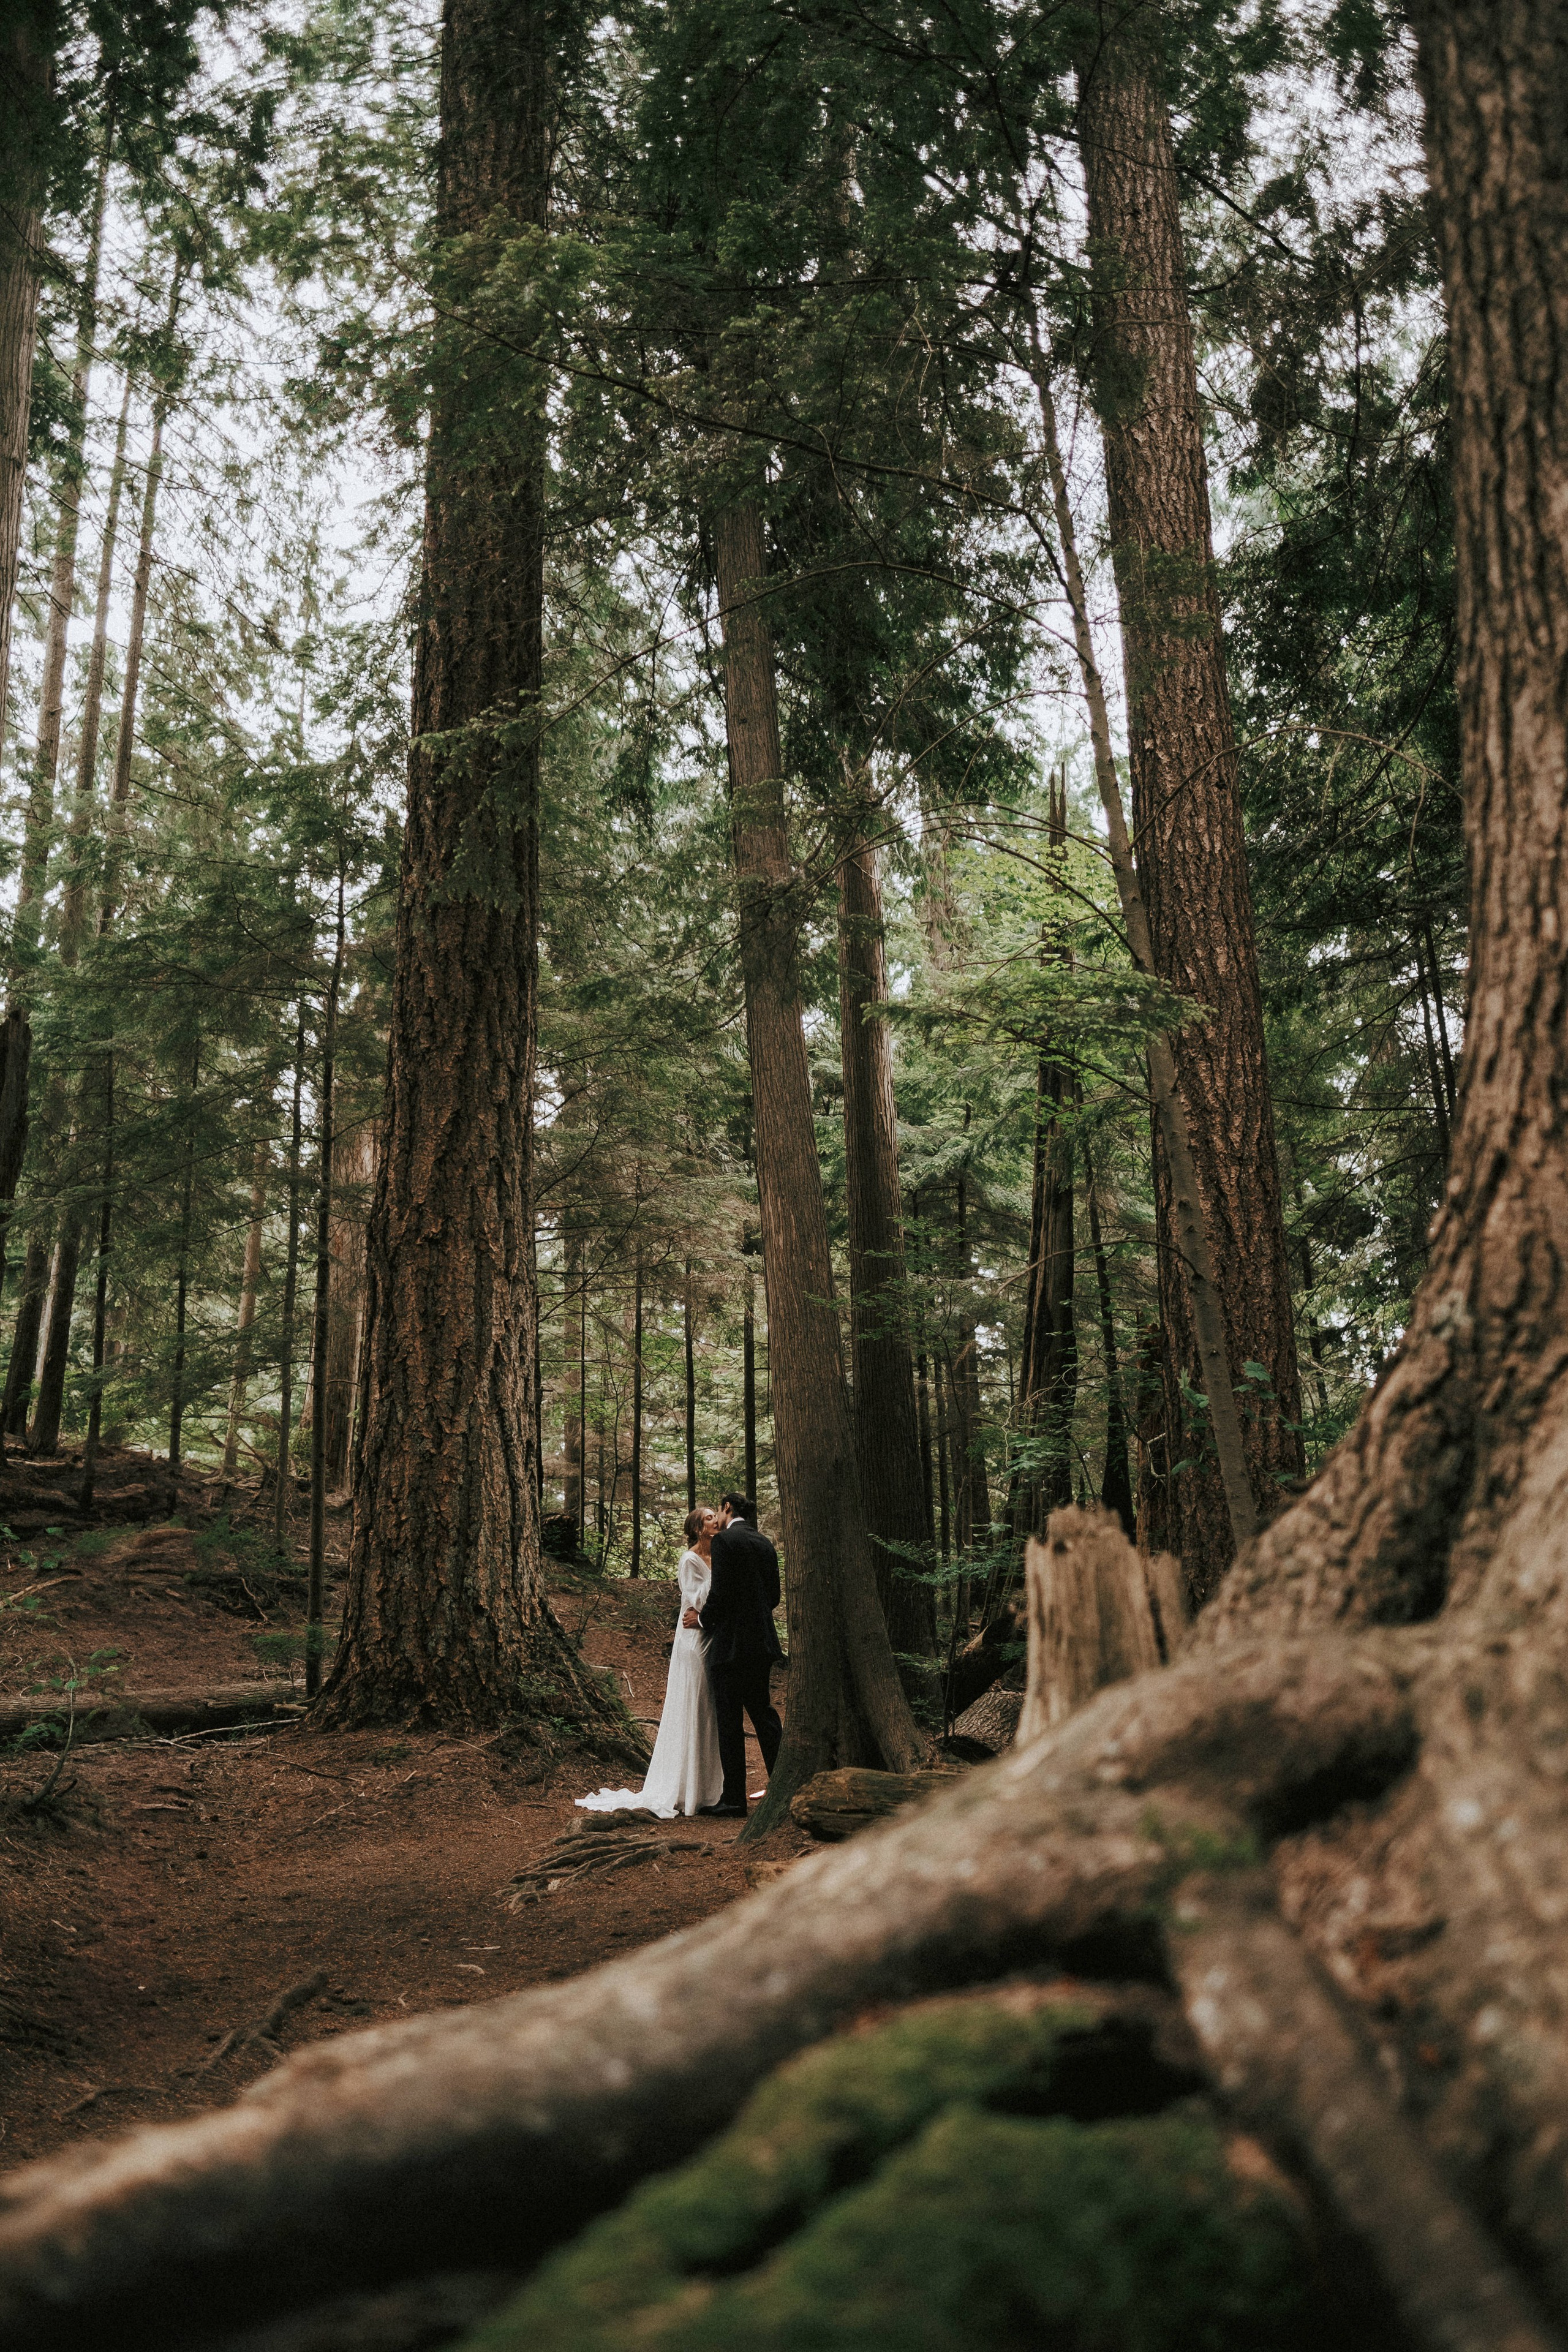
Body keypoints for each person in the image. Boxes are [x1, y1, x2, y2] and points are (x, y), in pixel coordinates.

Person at [576, 1506, 723, 1819]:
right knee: (693, 1704)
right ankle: (685, 1790)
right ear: (698, 1528)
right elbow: (696, 1598)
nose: (716, 1520)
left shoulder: (719, 1554)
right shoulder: (690, 1560)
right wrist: (721, 1578)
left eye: (716, 1516)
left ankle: (710, 1788)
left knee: (710, 1708)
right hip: (693, 1639)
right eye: (710, 1518)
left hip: (711, 1634)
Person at [694, 1491, 783, 1819]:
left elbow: (720, 1593)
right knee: (764, 1714)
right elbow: (773, 1596)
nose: (716, 1516)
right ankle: (782, 1785)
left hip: (731, 1646)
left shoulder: (725, 1541)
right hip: (761, 1644)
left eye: (718, 1510)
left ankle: (734, 1799)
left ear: (727, 1508)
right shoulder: (764, 1543)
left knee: (730, 1721)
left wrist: (703, 1619)